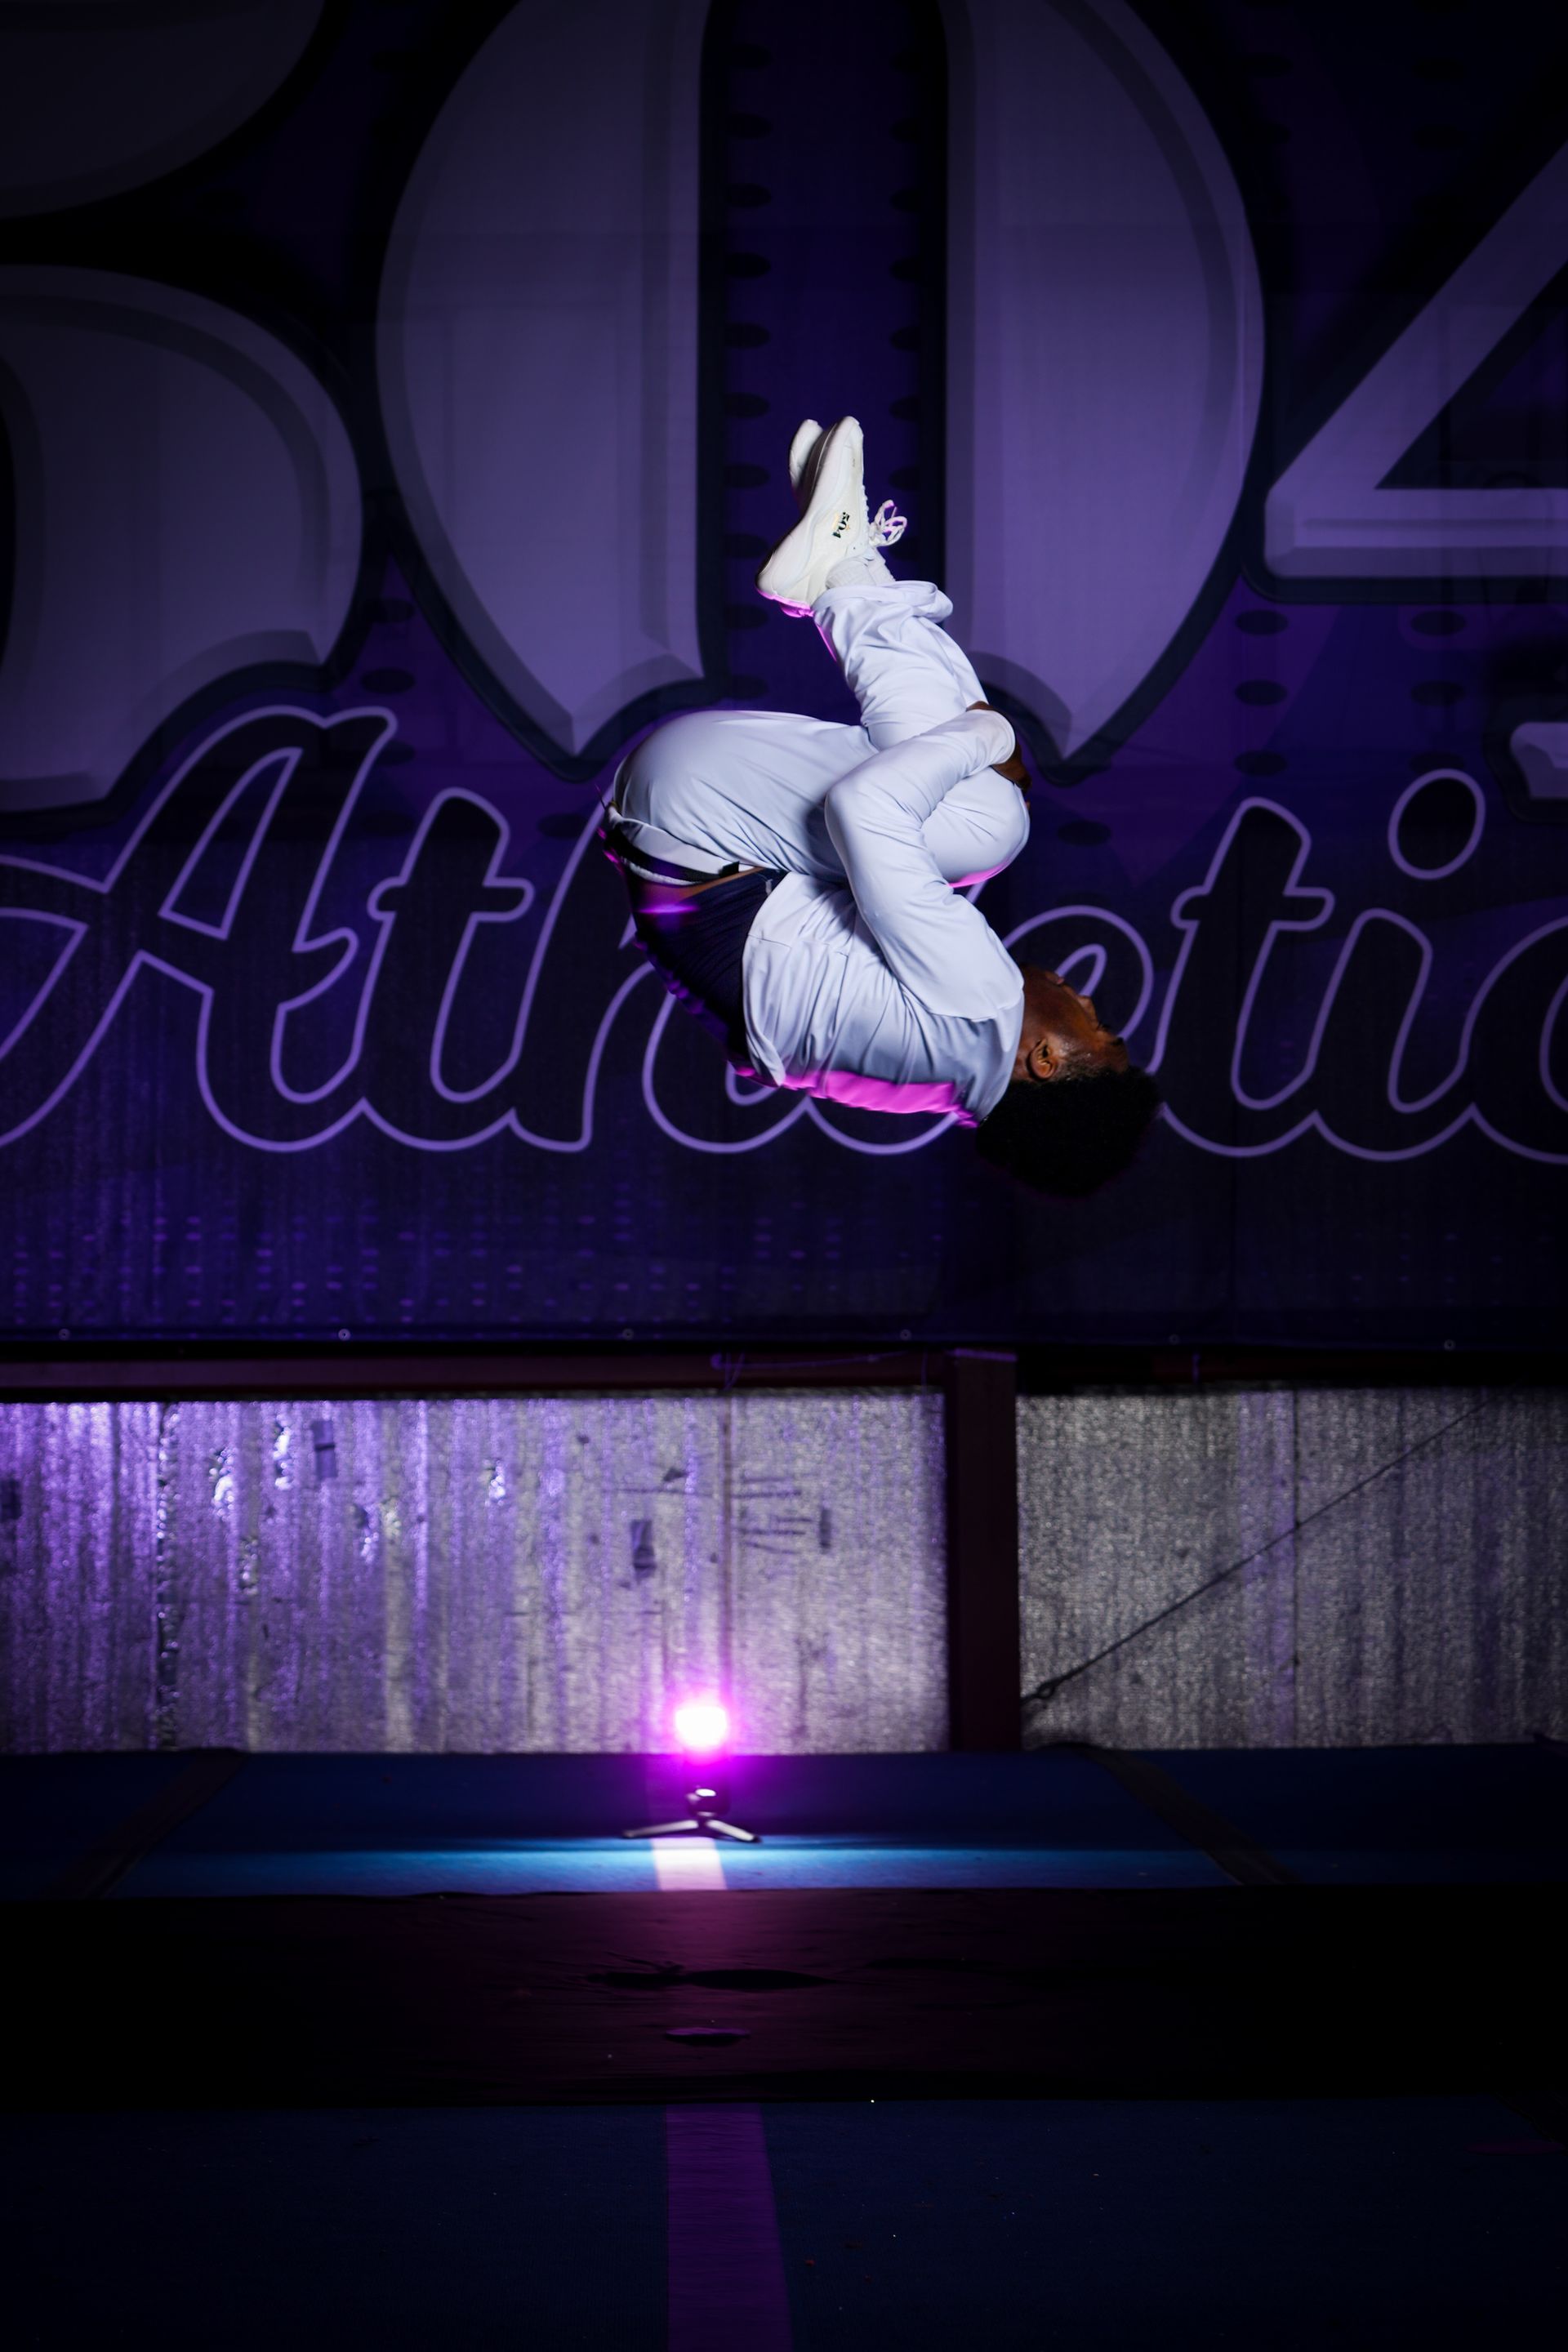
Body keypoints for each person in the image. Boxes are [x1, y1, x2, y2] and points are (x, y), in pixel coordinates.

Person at [602, 416, 1160, 1196]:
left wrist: (987, 733)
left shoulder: (982, 1003)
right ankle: (846, 563)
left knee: (990, 822)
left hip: (701, 806)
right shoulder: (928, 1086)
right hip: (667, 833)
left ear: (1046, 1061)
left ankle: (843, 569)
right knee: (962, 832)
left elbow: (866, 808)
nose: (1090, 1004)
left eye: (1099, 1033)